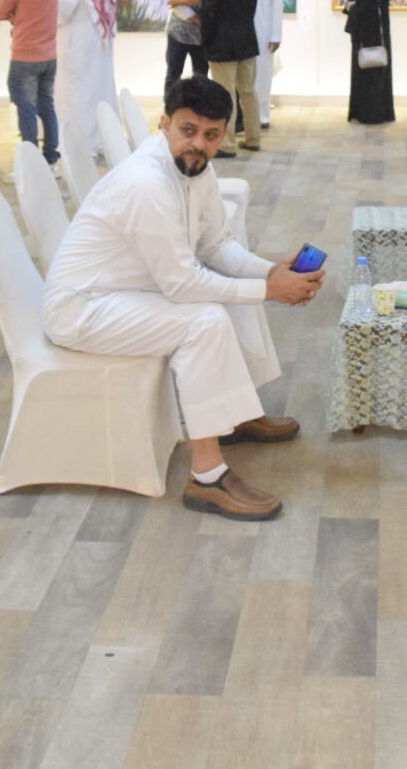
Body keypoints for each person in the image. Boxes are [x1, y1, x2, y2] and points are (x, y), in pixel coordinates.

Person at [42, 76, 321, 520]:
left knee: (231, 291)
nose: (198, 145)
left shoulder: (198, 169)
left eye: (211, 135)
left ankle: (233, 414)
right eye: (188, 130)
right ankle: (206, 478)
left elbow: (215, 245)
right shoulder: (146, 183)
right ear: (164, 124)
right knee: (204, 320)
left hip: (130, 290)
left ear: (223, 134)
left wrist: (269, 272)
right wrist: (269, 291)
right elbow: (182, 285)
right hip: (84, 308)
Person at [0, 0, 61, 164]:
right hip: (49, 55)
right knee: (46, 105)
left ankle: (31, 162)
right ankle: (50, 157)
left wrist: (16, 13)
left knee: (25, 107)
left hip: (25, 55)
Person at [57, 0, 121, 158]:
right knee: (98, 89)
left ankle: (83, 143)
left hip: (78, 44)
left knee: (79, 93)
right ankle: (103, 138)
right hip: (97, 45)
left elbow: (62, 10)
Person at [200, 0, 262, 158]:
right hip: (247, 42)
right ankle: (253, 138)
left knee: (226, 95)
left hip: (222, 46)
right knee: (248, 92)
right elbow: (251, 10)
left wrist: (206, 43)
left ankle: (226, 144)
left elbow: (208, 16)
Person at [345, 0, 395, 125]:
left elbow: (364, 13)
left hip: (367, 40)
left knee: (367, 78)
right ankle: (381, 112)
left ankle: (369, 114)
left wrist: (352, 6)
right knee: (378, 76)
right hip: (379, 40)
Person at [241, 0, 284, 130]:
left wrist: (276, 35)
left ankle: (262, 116)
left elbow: (277, 5)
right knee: (243, 76)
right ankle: (244, 117)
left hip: (263, 31)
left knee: (262, 75)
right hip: (241, 29)